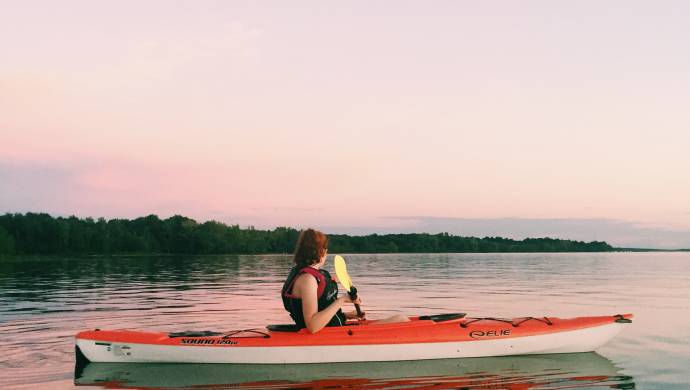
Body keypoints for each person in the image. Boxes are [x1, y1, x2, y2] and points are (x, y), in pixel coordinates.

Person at [281, 228, 408, 333]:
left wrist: (346, 315)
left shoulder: (307, 274)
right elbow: (313, 326)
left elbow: (321, 310)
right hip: (330, 335)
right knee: (401, 319)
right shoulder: (308, 279)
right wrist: (342, 300)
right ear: (322, 252)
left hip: (336, 329)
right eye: (325, 249)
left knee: (401, 319)